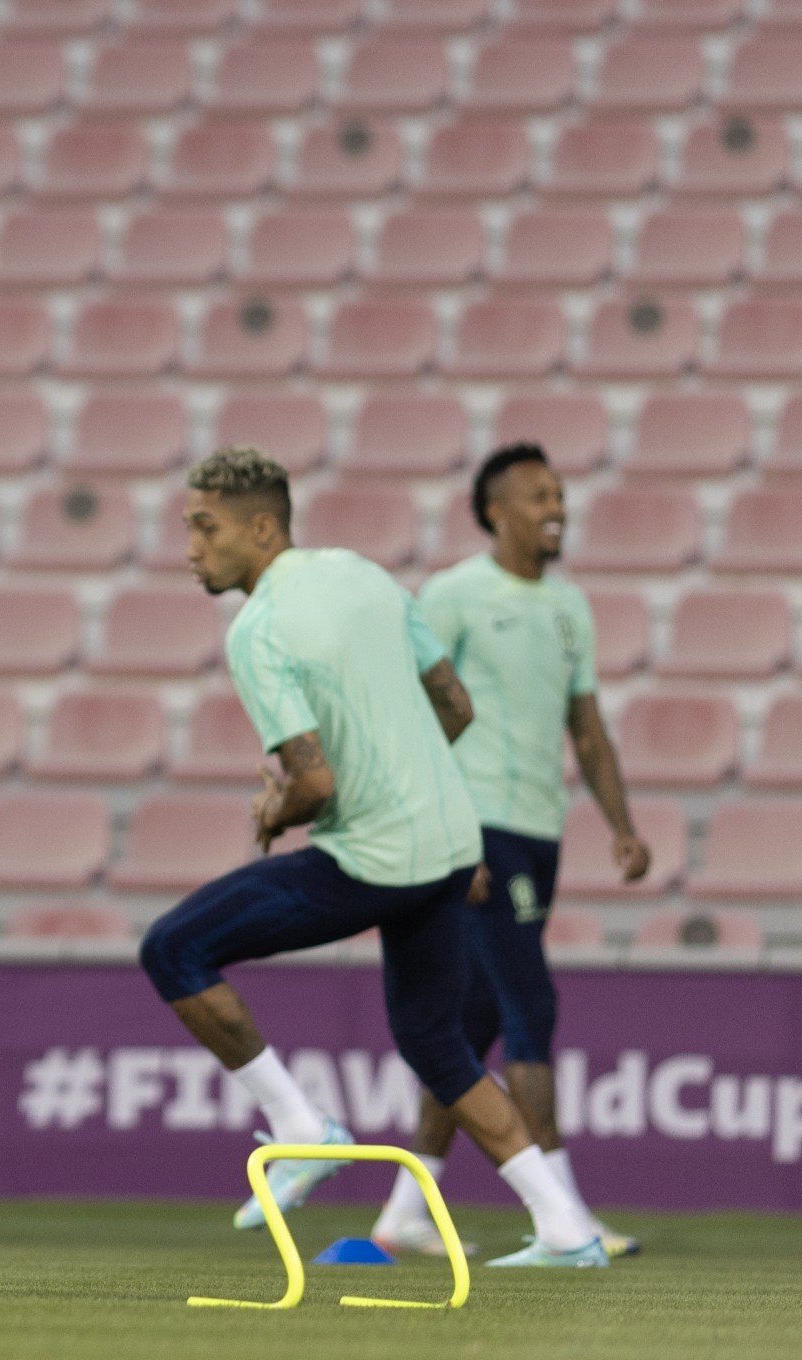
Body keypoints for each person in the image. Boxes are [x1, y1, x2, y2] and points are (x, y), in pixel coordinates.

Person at [137, 447, 607, 1268]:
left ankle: (300, 1128)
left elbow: (314, 782)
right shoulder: (364, 573)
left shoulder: (258, 630)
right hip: (453, 847)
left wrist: (275, 808)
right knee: (437, 1042)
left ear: (260, 527)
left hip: (375, 858)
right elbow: (453, 704)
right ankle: (566, 1228)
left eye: (204, 528)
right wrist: (410, 783)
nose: (190, 548)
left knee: (173, 947)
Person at [370, 444, 650, 1259]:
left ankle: (403, 1210)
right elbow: (416, 712)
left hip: (541, 830)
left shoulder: (569, 609)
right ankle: (563, 1217)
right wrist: (452, 831)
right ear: (494, 511)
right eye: (536, 495)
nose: (554, 506)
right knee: (532, 1006)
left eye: (558, 494)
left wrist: (621, 823)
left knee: (474, 1021)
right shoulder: (455, 594)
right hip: (481, 829)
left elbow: (586, 729)